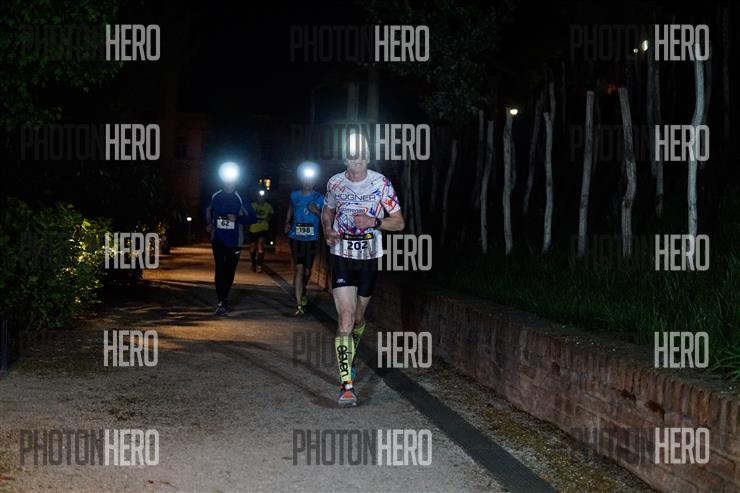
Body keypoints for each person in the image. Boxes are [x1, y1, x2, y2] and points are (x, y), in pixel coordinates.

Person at [321, 132, 404, 406]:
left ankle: (350, 355)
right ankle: (347, 385)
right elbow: (327, 211)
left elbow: (399, 223)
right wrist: (327, 230)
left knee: (358, 318)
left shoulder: (381, 184)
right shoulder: (335, 183)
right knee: (345, 318)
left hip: (369, 258)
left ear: (368, 157)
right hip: (342, 255)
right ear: (346, 158)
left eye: (362, 156)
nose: (357, 160)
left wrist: (374, 222)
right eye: (352, 156)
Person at [205, 162, 256, 315]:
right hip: (218, 238)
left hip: (235, 241)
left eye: (231, 178)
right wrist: (209, 223)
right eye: (226, 177)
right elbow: (207, 209)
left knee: (229, 270)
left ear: (236, 179)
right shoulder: (215, 195)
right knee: (220, 268)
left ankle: (224, 297)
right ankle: (221, 301)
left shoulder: (240, 198)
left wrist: (237, 218)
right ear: (222, 178)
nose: (229, 180)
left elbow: (252, 217)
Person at [284, 162, 324, 316]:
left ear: (314, 181)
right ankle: (299, 305)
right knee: (299, 269)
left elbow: (327, 218)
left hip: (311, 239)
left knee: (307, 271)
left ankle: (303, 291)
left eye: (311, 180)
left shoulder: (320, 198)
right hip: (296, 237)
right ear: (301, 180)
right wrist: (287, 221)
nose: (308, 182)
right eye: (305, 179)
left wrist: (317, 212)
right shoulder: (294, 195)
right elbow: (291, 207)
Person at [249, 189, 274, 273]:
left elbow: (271, 214)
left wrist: (268, 218)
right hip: (253, 228)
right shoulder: (253, 205)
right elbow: (248, 214)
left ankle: (259, 265)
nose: (261, 198)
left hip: (263, 228)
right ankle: (253, 263)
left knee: (261, 245)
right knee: (253, 246)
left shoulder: (268, 206)